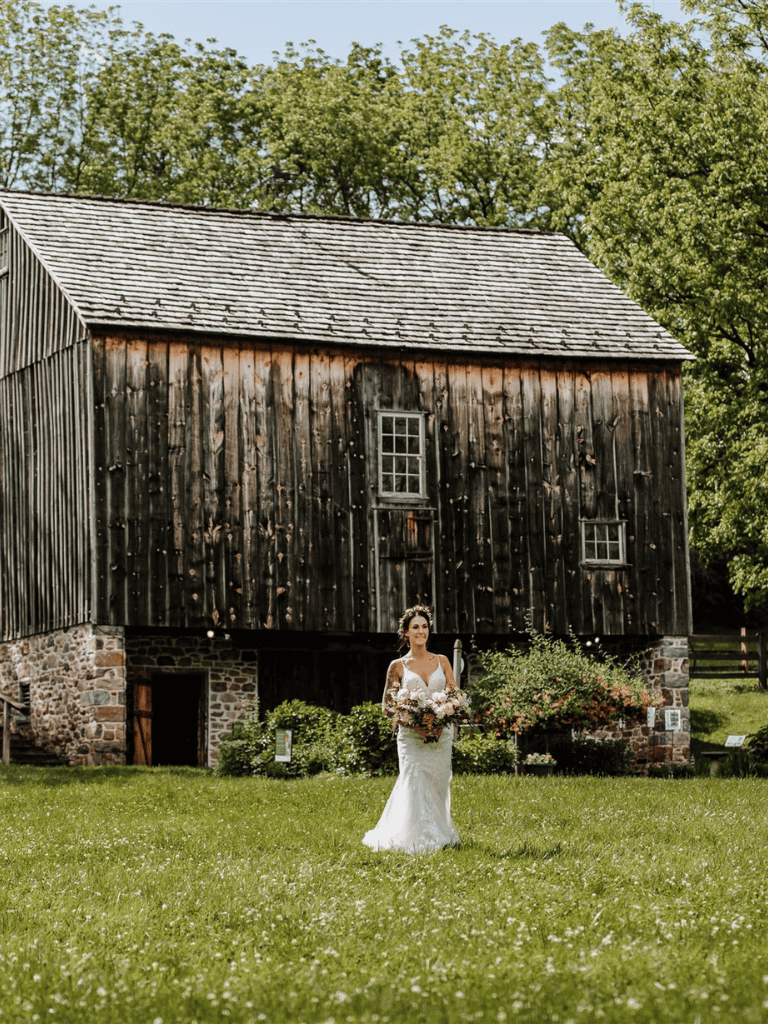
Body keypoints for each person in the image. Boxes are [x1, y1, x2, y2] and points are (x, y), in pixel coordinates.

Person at [362, 605, 460, 853]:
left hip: (441, 736)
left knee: (437, 783)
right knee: (415, 782)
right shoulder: (397, 665)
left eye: (425, 626)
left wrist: (440, 721)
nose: (421, 631)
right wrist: (416, 724)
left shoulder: (443, 661)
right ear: (406, 632)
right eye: (415, 627)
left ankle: (440, 831)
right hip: (411, 737)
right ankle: (415, 838)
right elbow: (388, 705)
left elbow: (453, 696)